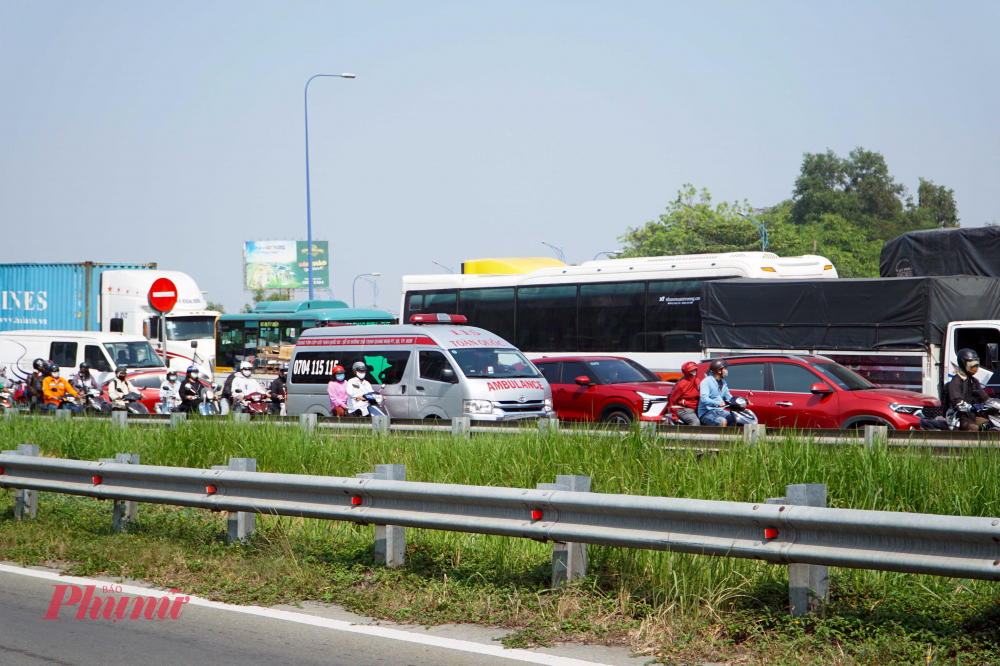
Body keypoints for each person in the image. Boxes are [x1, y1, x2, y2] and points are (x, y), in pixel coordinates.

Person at [946, 348, 988, 432]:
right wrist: (970, 408)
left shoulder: (974, 381)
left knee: (988, 424)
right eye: (972, 365)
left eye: (976, 365)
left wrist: (993, 404)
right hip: (958, 417)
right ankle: (970, 445)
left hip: (972, 416)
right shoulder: (956, 381)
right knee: (973, 427)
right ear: (963, 364)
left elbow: (985, 397)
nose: (974, 368)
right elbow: (956, 401)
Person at [698, 359, 736, 427]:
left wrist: (740, 400)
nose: (726, 371)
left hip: (720, 411)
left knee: (735, 418)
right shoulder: (706, 381)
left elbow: (729, 397)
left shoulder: (723, 383)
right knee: (722, 421)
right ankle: (722, 437)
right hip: (706, 412)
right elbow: (703, 398)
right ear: (719, 371)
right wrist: (718, 404)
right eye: (724, 369)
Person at [667, 361, 701, 426]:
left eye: (695, 369)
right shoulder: (681, 385)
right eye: (691, 370)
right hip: (684, 409)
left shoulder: (698, 381)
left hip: (697, 409)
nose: (694, 372)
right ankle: (692, 435)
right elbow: (672, 399)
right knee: (695, 422)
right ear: (686, 372)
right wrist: (674, 415)